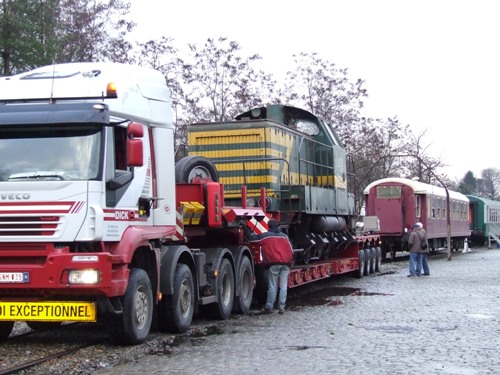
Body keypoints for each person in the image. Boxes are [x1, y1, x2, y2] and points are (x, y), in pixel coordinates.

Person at [243, 218, 294, 314]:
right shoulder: (285, 237)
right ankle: (282, 308)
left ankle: (269, 307)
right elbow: (291, 251)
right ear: (278, 226)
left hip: (273, 264)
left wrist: (245, 228)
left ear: (268, 226)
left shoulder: (266, 236)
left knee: (272, 286)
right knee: (283, 286)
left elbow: (252, 239)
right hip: (286, 264)